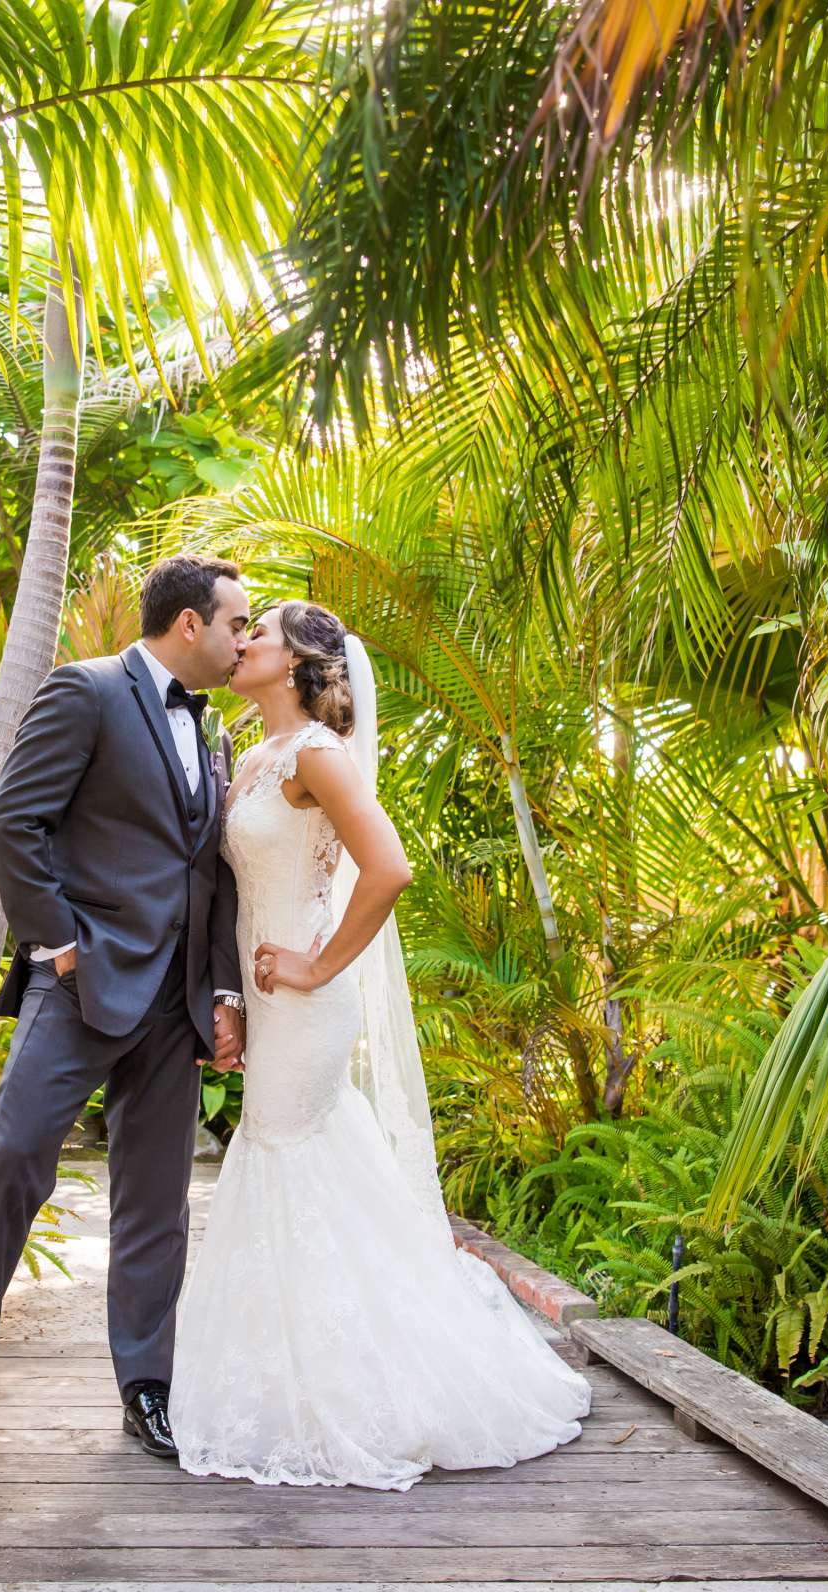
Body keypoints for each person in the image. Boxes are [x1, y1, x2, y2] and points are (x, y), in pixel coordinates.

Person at [169, 599, 592, 1489]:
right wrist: (234, 996)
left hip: (308, 1001)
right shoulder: (252, 759)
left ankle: (352, 1388)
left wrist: (318, 968)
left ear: (293, 667)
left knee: (288, 1156)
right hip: (265, 998)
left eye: (260, 635)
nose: (241, 642)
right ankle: (296, 1374)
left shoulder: (317, 758)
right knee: (301, 1162)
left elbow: (389, 868)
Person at [0, 554, 252, 1460]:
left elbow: (208, 876)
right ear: (189, 625)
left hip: (174, 1005)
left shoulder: (217, 741)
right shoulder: (84, 692)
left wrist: (219, 990)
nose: (245, 640)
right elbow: (14, 820)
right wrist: (56, 944)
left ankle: (148, 1387)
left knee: (157, 1202)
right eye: (237, 622)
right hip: (81, 985)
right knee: (11, 1158)